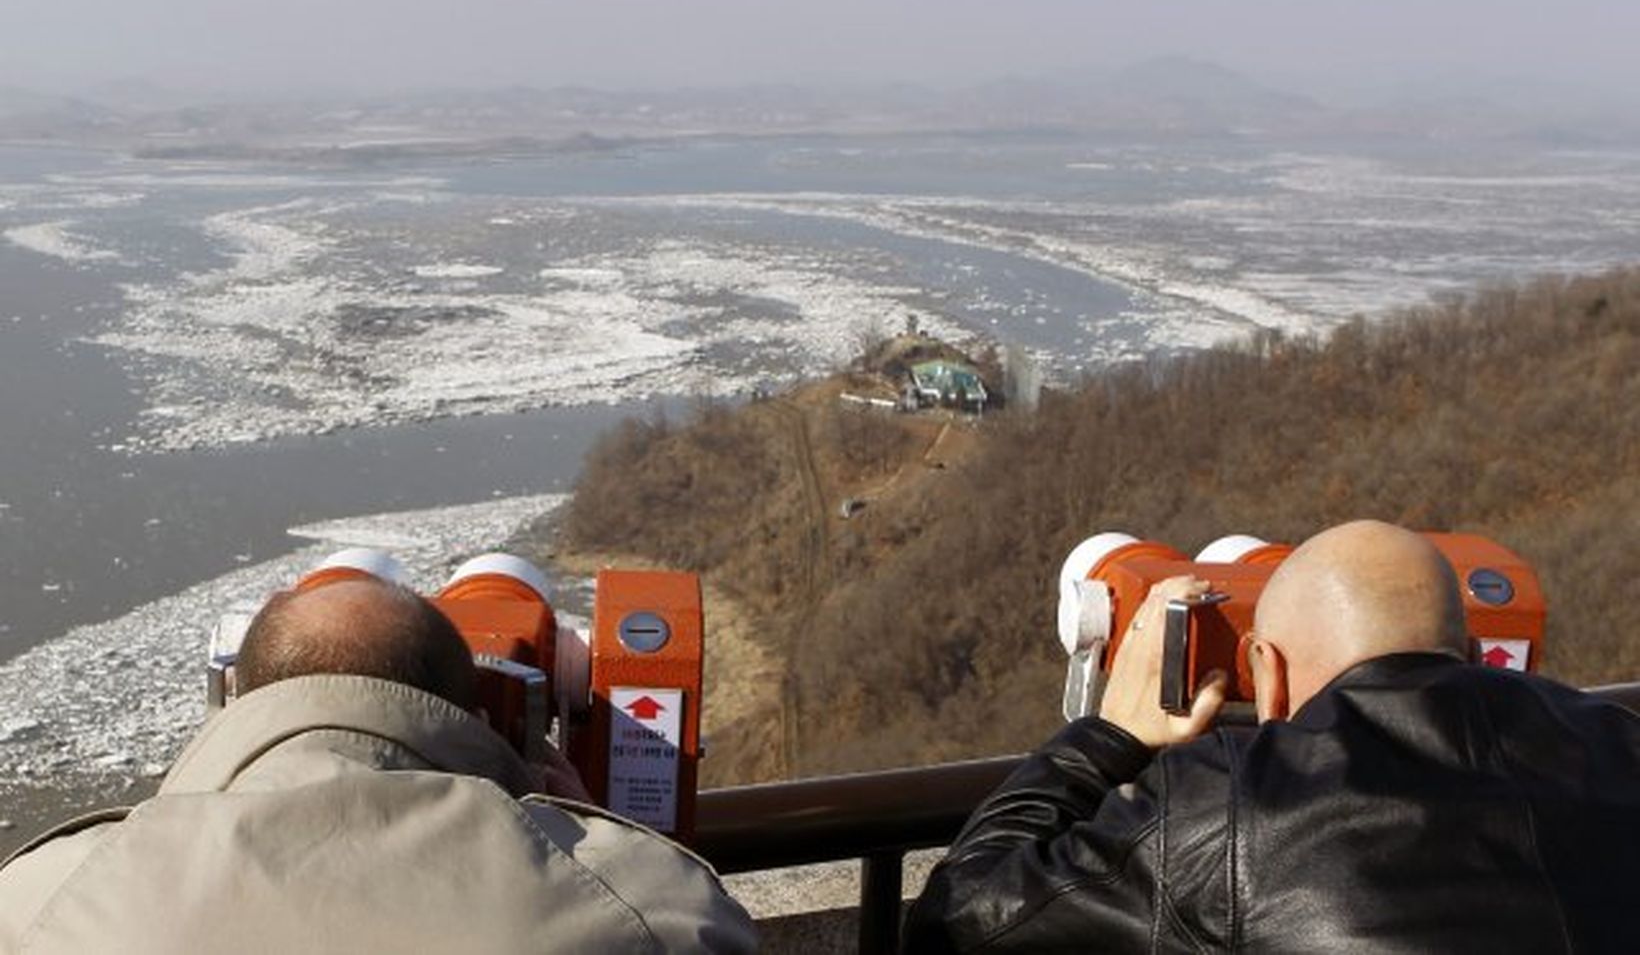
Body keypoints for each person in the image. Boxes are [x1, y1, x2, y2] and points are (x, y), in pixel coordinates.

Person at [904, 520, 1640, 953]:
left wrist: (1110, 732)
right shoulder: (1619, 743)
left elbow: (958, 923)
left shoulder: (1229, 801)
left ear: (1269, 671)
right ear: (1475, 656)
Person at [0, 576, 756, 953]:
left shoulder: (41, 903)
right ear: (478, 711)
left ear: (234, 696)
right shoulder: (653, 909)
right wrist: (598, 841)